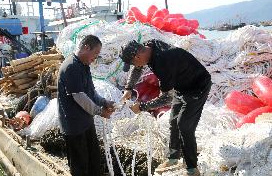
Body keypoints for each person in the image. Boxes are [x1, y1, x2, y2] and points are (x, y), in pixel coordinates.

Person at [119, 39, 211, 176]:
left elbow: (167, 98)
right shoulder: (149, 45)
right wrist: (128, 88)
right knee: (173, 121)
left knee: (184, 125)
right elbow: (137, 68)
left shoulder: (163, 63)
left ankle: (192, 167)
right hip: (181, 85)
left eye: (132, 62)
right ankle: (173, 158)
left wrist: (143, 107)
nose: (134, 65)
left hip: (197, 87)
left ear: (137, 56)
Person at [58, 35, 115, 176]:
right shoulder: (71, 66)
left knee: (94, 159)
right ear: (86, 47)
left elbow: (91, 92)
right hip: (74, 125)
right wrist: (100, 111)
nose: (95, 58)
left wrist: (104, 102)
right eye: (95, 53)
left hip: (86, 121)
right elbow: (80, 97)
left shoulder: (84, 65)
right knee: (80, 165)